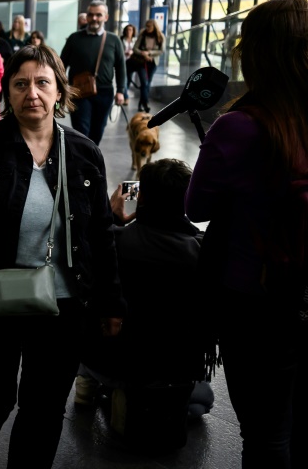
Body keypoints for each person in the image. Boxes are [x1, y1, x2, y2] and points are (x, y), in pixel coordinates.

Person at [0, 44, 125, 468]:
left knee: (46, 405)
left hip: (64, 304)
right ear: (8, 93)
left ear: (58, 92)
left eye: (41, 83)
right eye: (20, 84)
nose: (31, 92)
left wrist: (110, 302)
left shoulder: (84, 153)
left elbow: (101, 234)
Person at [185, 0, 308, 469]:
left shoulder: (237, 127)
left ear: (257, 54)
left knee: (266, 434)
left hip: (255, 302)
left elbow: (196, 206)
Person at [78, 158, 212, 452]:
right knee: (202, 401)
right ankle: (120, 396)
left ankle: (91, 382)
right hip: (171, 367)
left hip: (109, 357)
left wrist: (113, 219)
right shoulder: (202, 250)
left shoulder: (113, 241)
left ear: (142, 197)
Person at [60, 0, 126, 146]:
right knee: (81, 129)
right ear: (87, 16)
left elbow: (121, 67)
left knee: (98, 129)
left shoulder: (113, 40)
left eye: (98, 15)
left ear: (106, 17)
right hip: (78, 92)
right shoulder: (74, 38)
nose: (94, 18)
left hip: (104, 92)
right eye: (91, 14)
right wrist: (58, 87)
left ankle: (90, 156)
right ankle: (83, 160)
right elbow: (61, 65)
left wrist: (121, 91)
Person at [131, 19, 164, 113]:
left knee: (147, 83)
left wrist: (149, 53)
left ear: (154, 27)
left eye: (149, 26)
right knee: (144, 82)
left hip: (153, 63)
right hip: (141, 62)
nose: (148, 28)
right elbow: (135, 48)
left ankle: (141, 103)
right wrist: (143, 54)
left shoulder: (160, 37)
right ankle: (145, 104)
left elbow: (161, 50)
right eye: (147, 26)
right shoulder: (142, 35)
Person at [121, 24, 137, 106]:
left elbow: (137, 50)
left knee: (129, 80)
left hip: (131, 63)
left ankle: (124, 93)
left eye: (130, 30)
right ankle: (126, 97)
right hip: (122, 62)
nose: (129, 31)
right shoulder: (121, 39)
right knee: (124, 79)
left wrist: (132, 52)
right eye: (127, 30)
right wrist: (124, 52)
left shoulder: (136, 40)